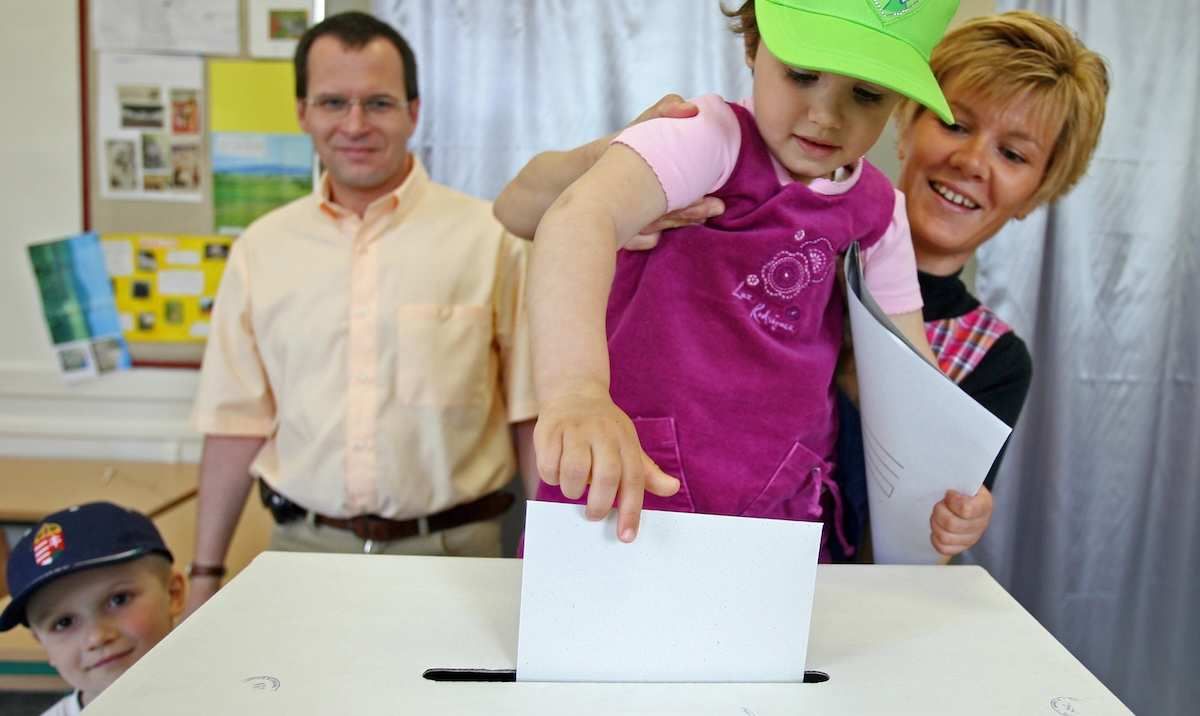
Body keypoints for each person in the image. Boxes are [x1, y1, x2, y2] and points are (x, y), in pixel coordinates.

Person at [503, 0, 960, 558]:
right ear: (753, 48)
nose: (826, 114)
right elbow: (579, 218)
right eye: (801, 74)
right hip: (632, 480)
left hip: (778, 503)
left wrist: (946, 481)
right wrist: (577, 392)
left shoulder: (879, 211)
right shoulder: (708, 137)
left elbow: (908, 376)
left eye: (866, 94)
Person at [186, 12, 537, 615]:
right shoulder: (261, 252)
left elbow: (531, 415)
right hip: (301, 554)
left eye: (377, 103)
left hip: (459, 557)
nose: (355, 125)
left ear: (413, 111)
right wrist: (203, 576)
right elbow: (234, 424)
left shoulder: (492, 239)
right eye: (332, 102)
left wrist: (556, 565)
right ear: (302, 113)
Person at [834, 9, 1110, 558]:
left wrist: (956, 521)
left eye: (1013, 154)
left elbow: (921, 552)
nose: (971, 161)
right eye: (955, 124)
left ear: (1036, 192)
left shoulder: (998, 361)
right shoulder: (798, 248)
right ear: (905, 122)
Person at [0, 503, 185, 715]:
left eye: (118, 600)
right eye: (64, 623)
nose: (96, 637)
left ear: (173, 594)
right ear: (43, 643)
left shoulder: (226, 687)